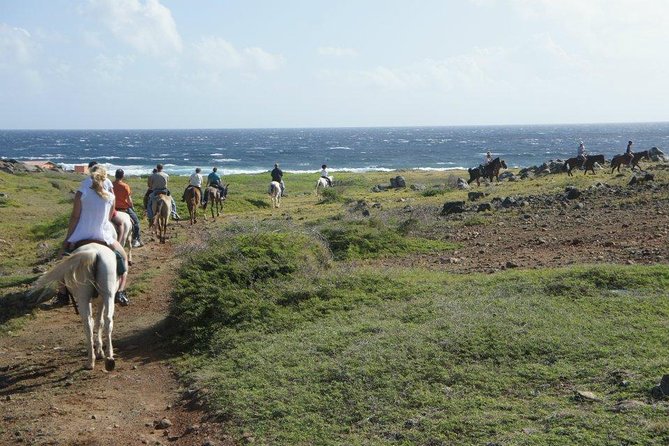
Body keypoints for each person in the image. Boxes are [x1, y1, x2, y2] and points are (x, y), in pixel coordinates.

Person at [57, 165, 130, 306]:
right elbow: (108, 219)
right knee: (124, 260)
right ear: (105, 176)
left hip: (80, 234)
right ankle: (120, 291)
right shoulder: (110, 196)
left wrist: (68, 238)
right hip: (103, 236)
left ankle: (62, 293)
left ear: (90, 175)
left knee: (61, 260)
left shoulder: (81, 191)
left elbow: (75, 217)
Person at [113, 169, 143, 248]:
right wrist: (132, 207)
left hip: (113, 209)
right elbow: (129, 200)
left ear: (115, 175)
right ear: (122, 176)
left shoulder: (111, 185)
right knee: (136, 223)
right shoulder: (125, 186)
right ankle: (135, 240)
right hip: (124, 208)